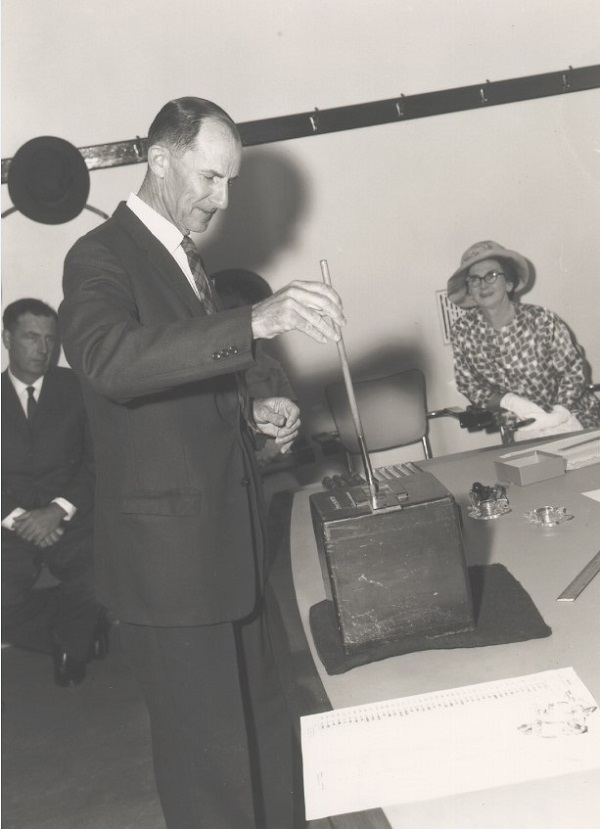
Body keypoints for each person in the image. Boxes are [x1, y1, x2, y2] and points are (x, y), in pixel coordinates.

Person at [58, 96, 345, 829]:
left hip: (227, 552)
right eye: (210, 179)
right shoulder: (99, 255)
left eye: (230, 184)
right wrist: (251, 320)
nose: (221, 201)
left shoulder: (184, 260)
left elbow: (168, 399)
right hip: (170, 571)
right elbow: (108, 360)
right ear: (159, 160)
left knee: (266, 738)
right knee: (211, 772)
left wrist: (247, 416)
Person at [1, 298, 108, 688]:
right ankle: (69, 638)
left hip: (73, 519)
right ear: (6, 338)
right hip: (7, 529)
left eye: (50, 339)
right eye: (31, 337)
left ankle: (75, 640)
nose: (43, 349)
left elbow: (99, 459)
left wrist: (57, 510)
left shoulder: (79, 388)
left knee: (100, 578)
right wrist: (18, 519)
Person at [447, 240, 600, 439]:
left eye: (491, 275)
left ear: (509, 283)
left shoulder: (541, 319)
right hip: (521, 429)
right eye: (474, 279)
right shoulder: (463, 330)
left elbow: (573, 370)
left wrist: (559, 413)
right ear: (470, 291)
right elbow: (468, 385)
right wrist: (509, 402)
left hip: (574, 417)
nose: (483, 284)